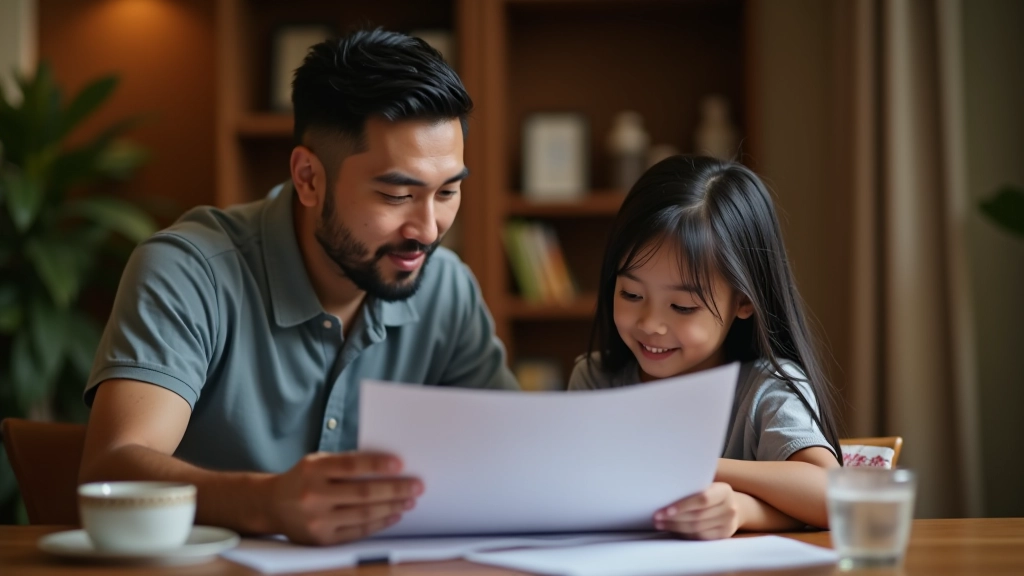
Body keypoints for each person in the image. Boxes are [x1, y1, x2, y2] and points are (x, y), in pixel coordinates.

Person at [78, 28, 518, 546]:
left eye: (448, 191)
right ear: (309, 177)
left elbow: (510, 459)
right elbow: (111, 469)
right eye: (397, 195)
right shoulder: (190, 272)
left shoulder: (446, 289)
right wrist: (268, 503)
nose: (427, 228)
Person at [569, 155, 843, 540]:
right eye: (631, 293)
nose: (650, 324)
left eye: (682, 306)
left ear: (744, 301)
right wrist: (751, 508)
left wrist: (697, 471)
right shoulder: (596, 379)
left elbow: (835, 496)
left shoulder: (768, 389)